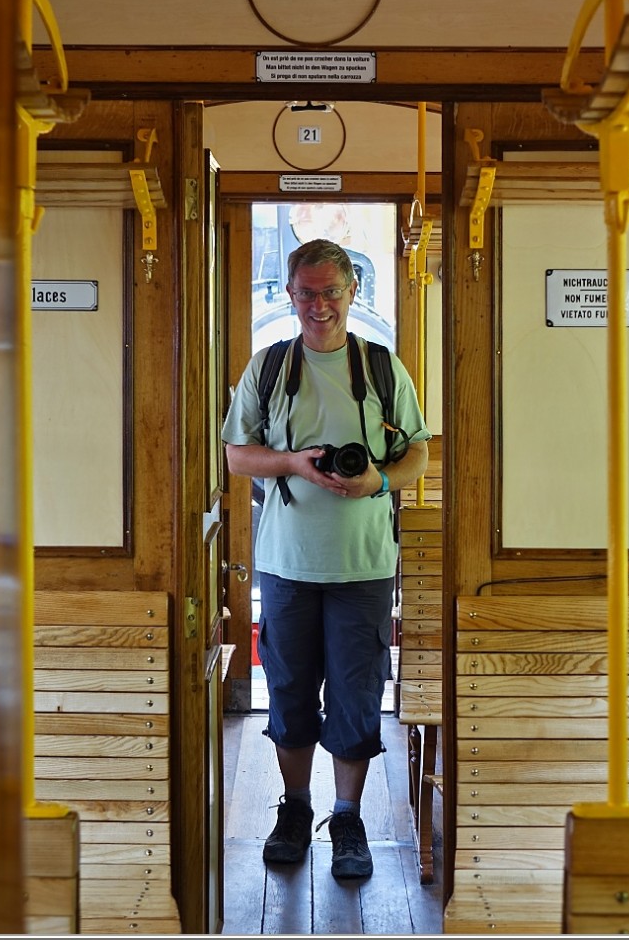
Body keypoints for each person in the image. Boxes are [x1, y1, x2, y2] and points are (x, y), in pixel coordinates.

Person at [221, 238, 430, 879]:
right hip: (286, 565)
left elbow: (417, 451)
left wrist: (379, 482)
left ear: (352, 293)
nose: (319, 305)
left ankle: (347, 818)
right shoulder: (268, 368)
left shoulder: (384, 368)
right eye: (306, 292)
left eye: (330, 292)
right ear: (289, 294)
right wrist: (292, 464)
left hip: (363, 567)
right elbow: (235, 457)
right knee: (287, 695)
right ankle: (295, 807)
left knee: (357, 697)